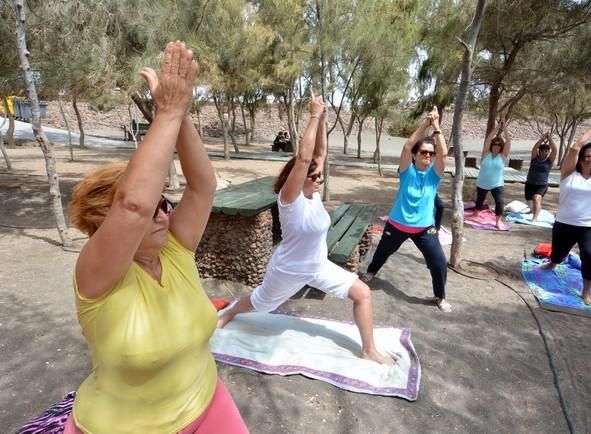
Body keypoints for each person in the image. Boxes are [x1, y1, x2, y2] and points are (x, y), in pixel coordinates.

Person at [64, 42, 248, 434]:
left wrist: (179, 113)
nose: (163, 213)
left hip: (205, 401)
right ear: (103, 223)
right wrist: (165, 113)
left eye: (163, 202)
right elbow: (131, 206)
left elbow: (203, 188)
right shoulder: (98, 275)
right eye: (152, 208)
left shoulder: (176, 248)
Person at [217, 91, 394, 365]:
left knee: (362, 293)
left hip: (317, 266)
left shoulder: (312, 193)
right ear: (296, 179)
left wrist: (322, 119)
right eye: (313, 177)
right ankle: (228, 313)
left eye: (320, 176)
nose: (319, 179)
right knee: (260, 303)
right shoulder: (290, 199)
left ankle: (369, 349)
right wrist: (312, 115)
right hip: (288, 269)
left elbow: (319, 154)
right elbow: (304, 159)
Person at [359, 109, 451, 312]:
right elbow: (407, 145)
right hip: (397, 224)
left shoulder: (433, 176)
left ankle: (439, 296)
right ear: (416, 156)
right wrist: (424, 124)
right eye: (423, 152)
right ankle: (371, 272)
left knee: (439, 262)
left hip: (423, 228)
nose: (427, 155)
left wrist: (436, 127)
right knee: (383, 252)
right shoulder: (406, 171)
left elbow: (444, 154)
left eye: (430, 153)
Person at [540, 113, 591, 305]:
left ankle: (586, 291)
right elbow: (575, 147)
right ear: (581, 158)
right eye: (586, 156)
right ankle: (553, 262)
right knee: (558, 254)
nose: (590, 159)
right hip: (565, 223)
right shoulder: (569, 174)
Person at [473, 120, 512, 229]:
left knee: (500, 201)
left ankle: (498, 221)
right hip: (482, 182)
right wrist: (497, 127)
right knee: (480, 199)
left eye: (499, 145)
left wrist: (504, 128)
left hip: (497, 183)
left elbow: (508, 142)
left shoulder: (503, 156)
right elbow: (489, 138)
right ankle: (476, 212)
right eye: (494, 144)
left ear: (501, 147)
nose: (496, 146)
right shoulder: (486, 153)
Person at [524, 132, 557, 222]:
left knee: (537, 198)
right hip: (530, 183)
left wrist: (549, 138)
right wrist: (542, 139)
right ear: (539, 152)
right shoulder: (534, 158)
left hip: (542, 185)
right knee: (530, 202)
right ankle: (532, 210)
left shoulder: (549, 161)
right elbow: (535, 148)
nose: (544, 153)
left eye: (546, 151)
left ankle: (535, 218)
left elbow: (554, 150)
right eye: (542, 151)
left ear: (548, 152)